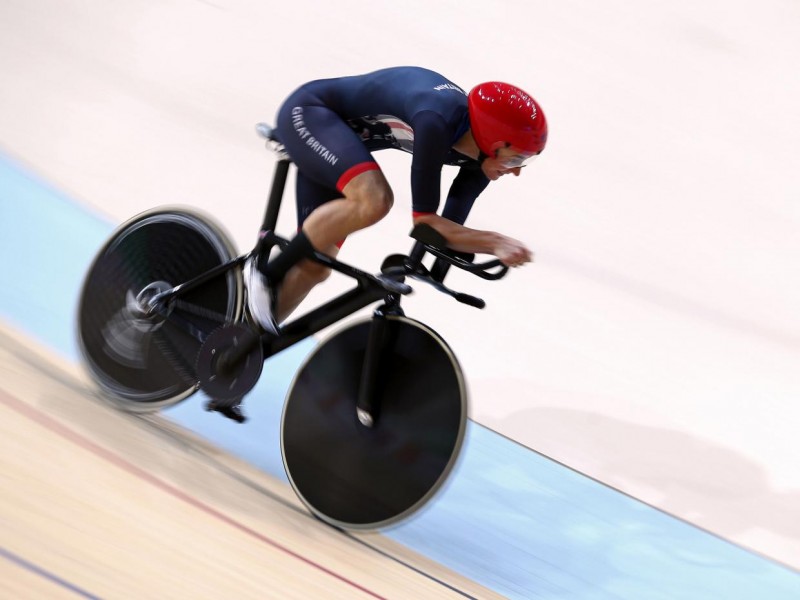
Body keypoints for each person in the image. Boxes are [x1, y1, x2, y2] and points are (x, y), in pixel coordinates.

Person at [245, 66, 547, 333]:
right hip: (311, 113)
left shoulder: (481, 163)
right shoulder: (436, 121)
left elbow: (442, 231)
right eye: (516, 159)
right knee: (374, 200)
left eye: (526, 161)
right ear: (494, 142)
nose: (517, 171)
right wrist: (495, 242)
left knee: (314, 267)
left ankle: (238, 348)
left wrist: (431, 269)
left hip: (340, 143)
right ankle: (265, 275)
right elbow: (426, 221)